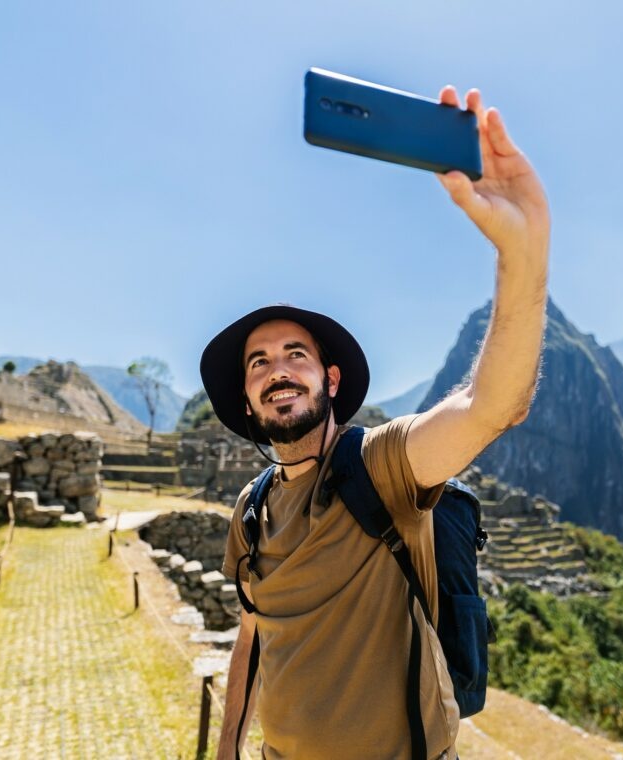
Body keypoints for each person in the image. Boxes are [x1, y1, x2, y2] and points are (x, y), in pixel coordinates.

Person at [202, 85, 550, 760]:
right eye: (260, 363)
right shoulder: (250, 513)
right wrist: (225, 752)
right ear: (247, 401)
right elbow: (252, 634)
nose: (279, 370)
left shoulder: (382, 468)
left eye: (297, 355)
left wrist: (523, 250)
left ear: (330, 381)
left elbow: (490, 406)